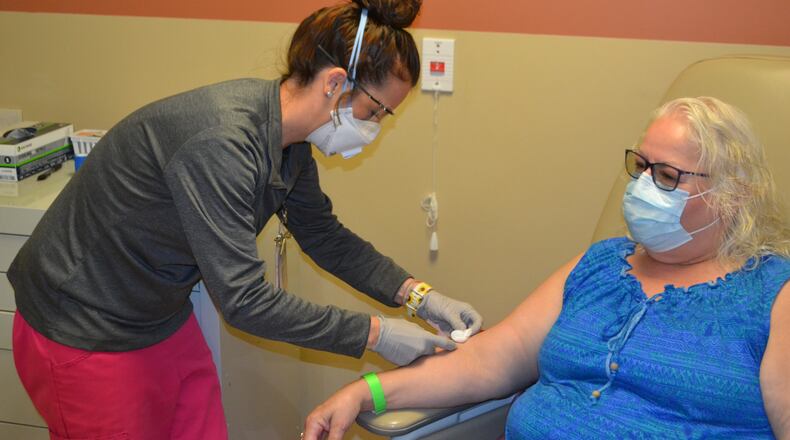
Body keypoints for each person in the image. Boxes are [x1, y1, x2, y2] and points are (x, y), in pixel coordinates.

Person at [8, 1, 483, 438]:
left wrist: (419, 297)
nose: (375, 127)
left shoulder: (289, 143)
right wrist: (376, 334)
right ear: (335, 83)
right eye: (375, 110)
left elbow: (325, 237)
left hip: (156, 316)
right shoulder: (222, 143)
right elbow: (244, 301)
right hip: (82, 322)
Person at [304, 97, 790, 439]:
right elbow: (493, 357)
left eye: (665, 176)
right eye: (640, 166)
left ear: (732, 196)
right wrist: (364, 392)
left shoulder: (772, 295)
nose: (642, 186)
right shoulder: (599, 264)